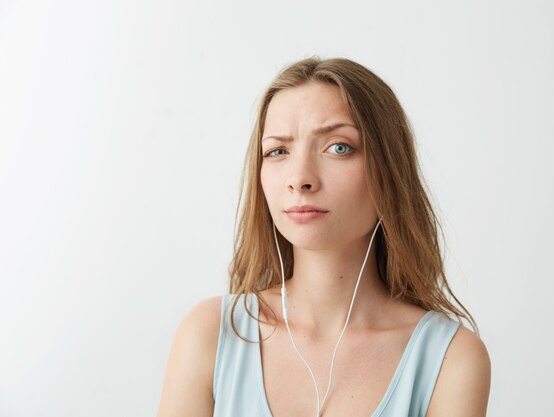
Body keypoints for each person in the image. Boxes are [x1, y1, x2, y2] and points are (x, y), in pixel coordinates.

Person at [156, 56, 491, 417]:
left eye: (338, 147)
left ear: (390, 170)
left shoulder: (451, 358)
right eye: (278, 151)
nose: (300, 177)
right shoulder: (210, 334)